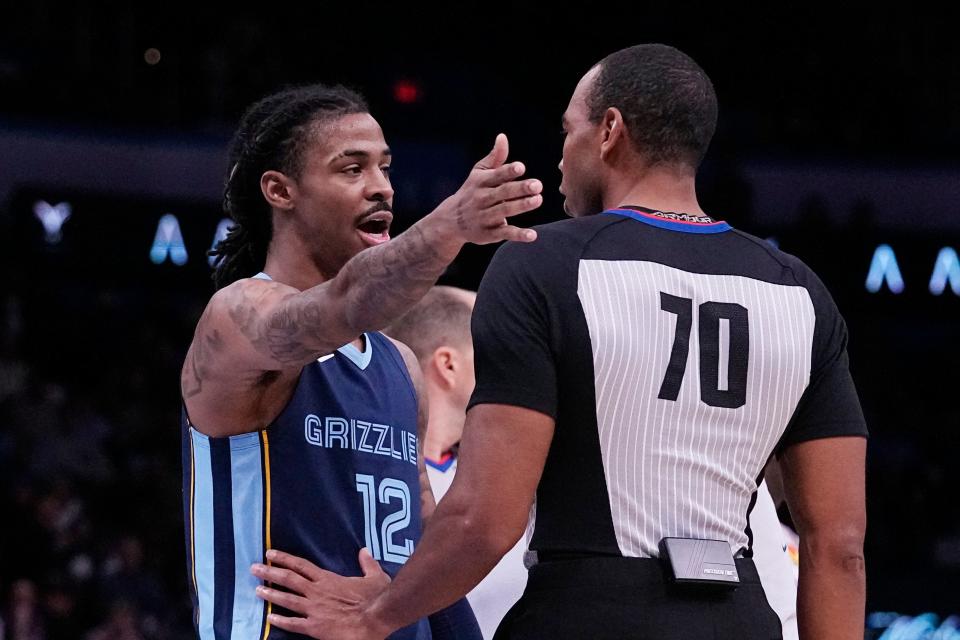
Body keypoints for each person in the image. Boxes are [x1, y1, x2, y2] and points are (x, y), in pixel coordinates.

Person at [252, 45, 868, 640]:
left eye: (568, 131)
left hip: (584, 614)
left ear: (609, 131)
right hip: (740, 619)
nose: (562, 157)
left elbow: (485, 519)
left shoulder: (545, 263)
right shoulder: (802, 292)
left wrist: (374, 616)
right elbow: (838, 548)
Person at [180, 83, 543, 640]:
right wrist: (450, 226)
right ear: (280, 190)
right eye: (352, 170)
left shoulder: (399, 363)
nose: (382, 188)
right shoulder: (236, 321)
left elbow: (426, 556)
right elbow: (345, 301)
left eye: (385, 168)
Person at [384, 287, 528, 639]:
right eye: (492, 356)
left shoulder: (510, 477)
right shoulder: (391, 483)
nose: (511, 373)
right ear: (448, 365)